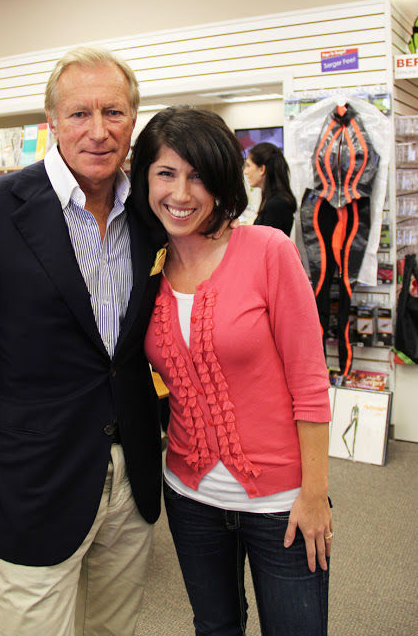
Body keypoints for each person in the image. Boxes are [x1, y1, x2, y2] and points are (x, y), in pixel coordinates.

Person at [0, 46, 165, 636]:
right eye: (79, 114)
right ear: (51, 122)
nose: (98, 130)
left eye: (113, 111)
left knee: (116, 628)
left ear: (133, 119)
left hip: (133, 473)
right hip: (32, 476)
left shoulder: (153, 214)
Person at [130, 106, 333, 636]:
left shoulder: (269, 250)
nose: (181, 193)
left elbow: (310, 382)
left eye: (197, 175)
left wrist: (314, 495)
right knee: (216, 627)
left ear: (221, 178)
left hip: (281, 501)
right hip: (190, 495)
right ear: (145, 179)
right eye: (166, 173)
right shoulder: (146, 266)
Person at [244, 141, 296, 236]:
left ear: (261, 169)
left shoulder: (277, 205)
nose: (245, 172)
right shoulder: (271, 201)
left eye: (248, 166)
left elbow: (266, 246)